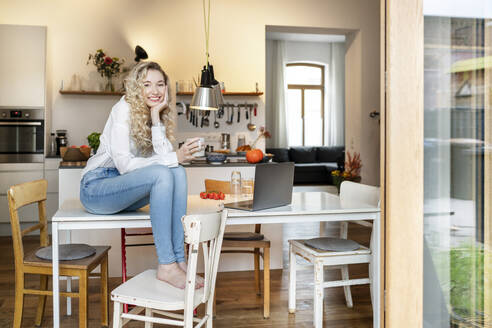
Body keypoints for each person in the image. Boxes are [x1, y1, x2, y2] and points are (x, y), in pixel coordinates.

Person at [80, 61, 201, 289]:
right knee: (164, 172)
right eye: (147, 85)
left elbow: (169, 162)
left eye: (160, 84)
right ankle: (166, 265)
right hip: (97, 187)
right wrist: (174, 157)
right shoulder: (123, 108)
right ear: (137, 87)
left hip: (124, 190)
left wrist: (156, 117)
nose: (155, 91)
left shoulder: (152, 111)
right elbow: (125, 165)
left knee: (178, 174)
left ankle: (178, 262)